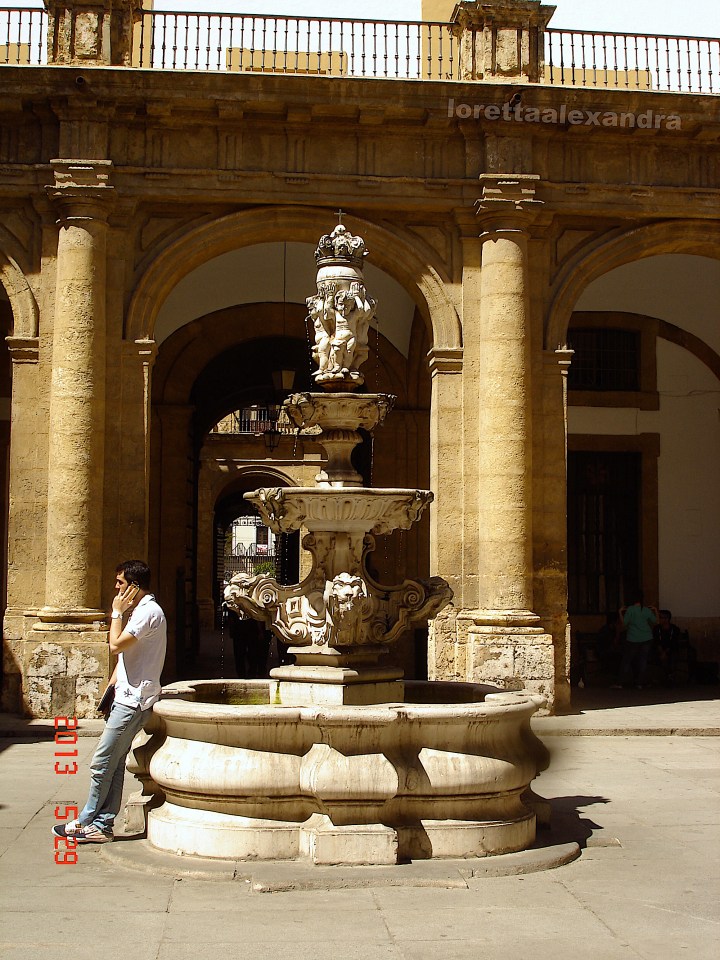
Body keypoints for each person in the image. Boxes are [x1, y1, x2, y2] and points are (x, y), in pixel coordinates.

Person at [52, 560, 167, 844]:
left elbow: (115, 645)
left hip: (133, 701)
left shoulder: (146, 612)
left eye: (120, 584)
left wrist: (116, 613)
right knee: (114, 763)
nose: (116, 588)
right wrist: (114, 681)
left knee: (102, 761)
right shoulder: (142, 610)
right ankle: (101, 825)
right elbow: (127, 654)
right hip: (126, 696)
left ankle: (85, 820)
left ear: (134, 587)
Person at [614, 590, 658, 689]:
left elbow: (624, 624)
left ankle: (620, 682)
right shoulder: (646, 610)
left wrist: (620, 612)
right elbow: (655, 622)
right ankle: (640, 683)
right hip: (647, 638)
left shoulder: (630, 610)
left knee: (627, 660)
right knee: (643, 660)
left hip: (633, 638)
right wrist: (655, 610)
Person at [653, 609, 683, 686]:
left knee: (672, 657)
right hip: (659, 650)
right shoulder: (657, 629)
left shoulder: (674, 629)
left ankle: (669, 676)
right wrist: (661, 652)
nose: (659, 619)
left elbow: (673, 642)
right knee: (660, 658)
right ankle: (669, 676)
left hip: (671, 650)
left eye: (661, 617)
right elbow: (656, 641)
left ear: (667, 619)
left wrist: (665, 652)